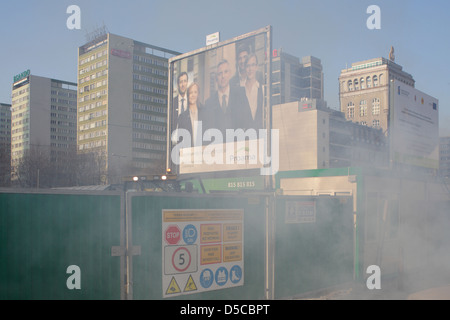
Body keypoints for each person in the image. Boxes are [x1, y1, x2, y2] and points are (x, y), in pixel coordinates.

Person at [205, 59, 253, 136]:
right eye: (220, 73)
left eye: (226, 72)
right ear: (216, 78)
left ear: (230, 74)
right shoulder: (209, 103)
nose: (223, 76)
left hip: (238, 146)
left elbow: (249, 124)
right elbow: (206, 133)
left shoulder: (240, 94)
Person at [243, 53, 263, 130]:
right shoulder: (238, 90)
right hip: (242, 137)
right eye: (248, 66)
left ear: (256, 67)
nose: (250, 69)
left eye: (253, 65)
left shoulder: (263, 89)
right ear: (245, 68)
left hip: (259, 136)